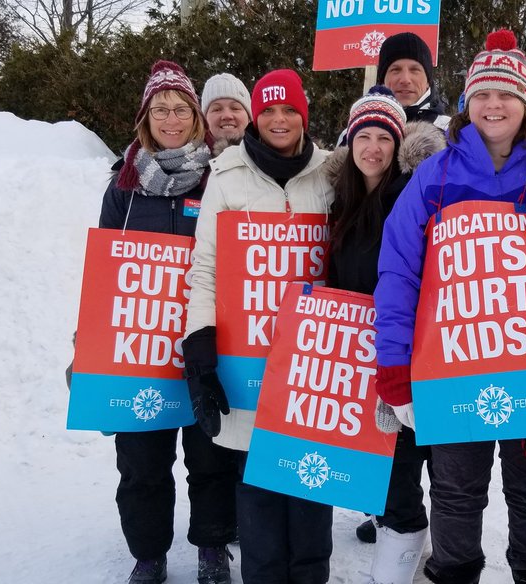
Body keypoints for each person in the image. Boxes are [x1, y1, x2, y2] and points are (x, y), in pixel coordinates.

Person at [372, 30, 526, 584]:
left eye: (505, 95)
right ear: (466, 103)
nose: (493, 106)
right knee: (455, 491)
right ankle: (453, 573)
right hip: (454, 363)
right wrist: (394, 366)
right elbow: (399, 271)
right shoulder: (437, 174)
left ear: (525, 103)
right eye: (482, 95)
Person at [183, 68, 335, 584]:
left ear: (303, 116)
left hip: (313, 360)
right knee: (259, 490)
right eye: (268, 110)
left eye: (289, 109)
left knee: (310, 483)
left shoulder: (330, 173)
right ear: (255, 118)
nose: (278, 119)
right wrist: (200, 344)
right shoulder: (226, 176)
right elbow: (205, 267)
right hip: (247, 360)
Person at [96, 60, 236, 584]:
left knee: (210, 455)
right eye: (161, 110)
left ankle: (212, 547)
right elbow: (106, 270)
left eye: (181, 109)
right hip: (140, 345)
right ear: (145, 118)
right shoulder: (123, 186)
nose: (171, 119)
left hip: (205, 341)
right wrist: (88, 338)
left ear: (196, 117)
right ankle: (148, 553)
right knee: (141, 462)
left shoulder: (219, 176)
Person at [321, 86, 445, 583]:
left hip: (405, 353)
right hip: (360, 351)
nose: (373, 148)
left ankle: (403, 554)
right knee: (383, 471)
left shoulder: (410, 197)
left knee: (403, 474)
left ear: (399, 145)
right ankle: (406, 541)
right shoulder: (343, 200)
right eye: (363, 137)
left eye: (384, 138)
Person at [201, 72, 251, 154]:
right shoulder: (187, 159)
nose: (227, 116)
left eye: (235, 108)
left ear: (249, 117)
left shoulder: (268, 156)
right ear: (205, 119)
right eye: (217, 109)